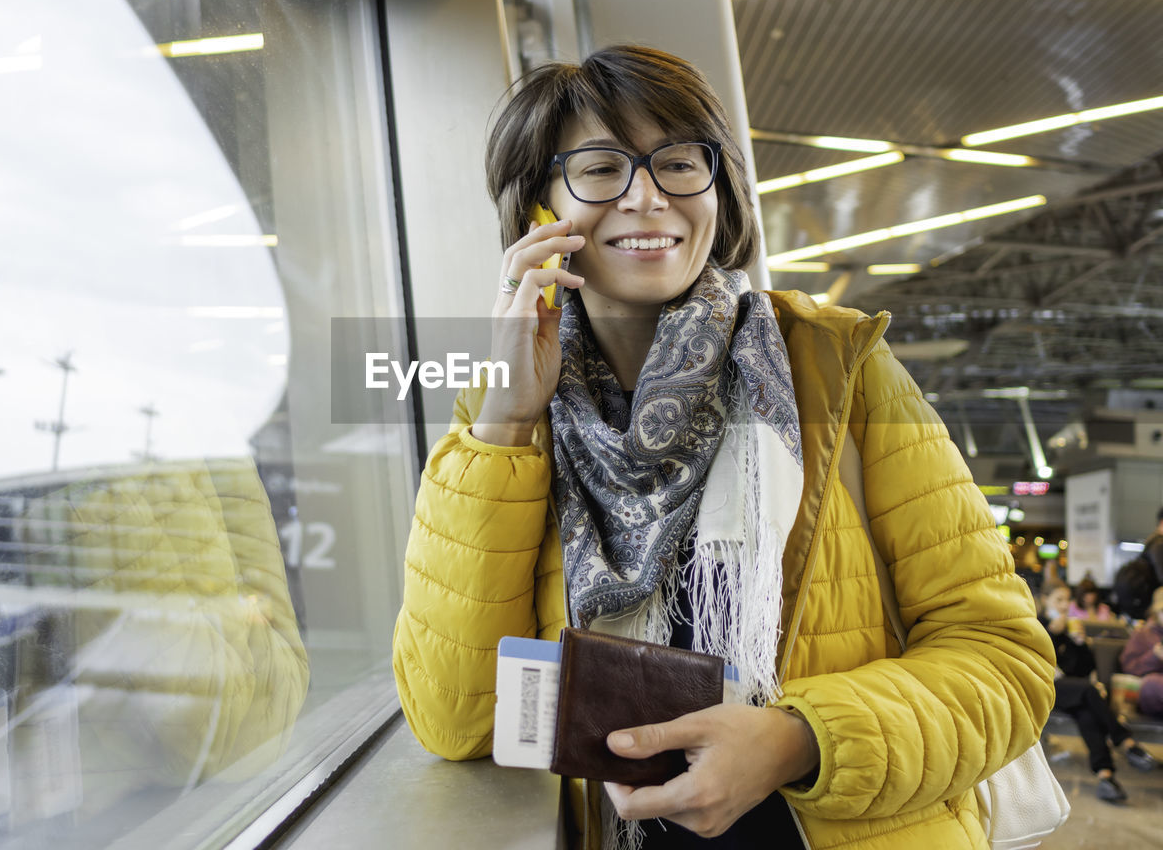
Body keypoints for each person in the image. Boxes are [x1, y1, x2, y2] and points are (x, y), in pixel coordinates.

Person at [392, 45, 1056, 849]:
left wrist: (801, 740)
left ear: (717, 188)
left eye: (677, 162)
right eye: (601, 169)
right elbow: (452, 716)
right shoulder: (500, 414)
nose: (647, 196)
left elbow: (1006, 659)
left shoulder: (836, 366)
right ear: (539, 207)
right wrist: (503, 429)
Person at [1038, 580, 1158, 802]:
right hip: (1044, 688)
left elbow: (1081, 669)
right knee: (1088, 691)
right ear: (1045, 600)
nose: (1065, 606)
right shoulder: (1036, 624)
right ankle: (1124, 740)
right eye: (1059, 600)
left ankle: (1106, 776)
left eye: (1067, 600)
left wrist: (1080, 644)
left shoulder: (1070, 627)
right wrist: (1051, 634)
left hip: (1073, 690)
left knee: (1087, 714)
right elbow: (1038, 664)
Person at [1120, 586, 1163, 718]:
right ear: (1156, 612)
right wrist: (1155, 656)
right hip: (1151, 687)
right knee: (1151, 683)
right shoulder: (1142, 634)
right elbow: (1129, 667)